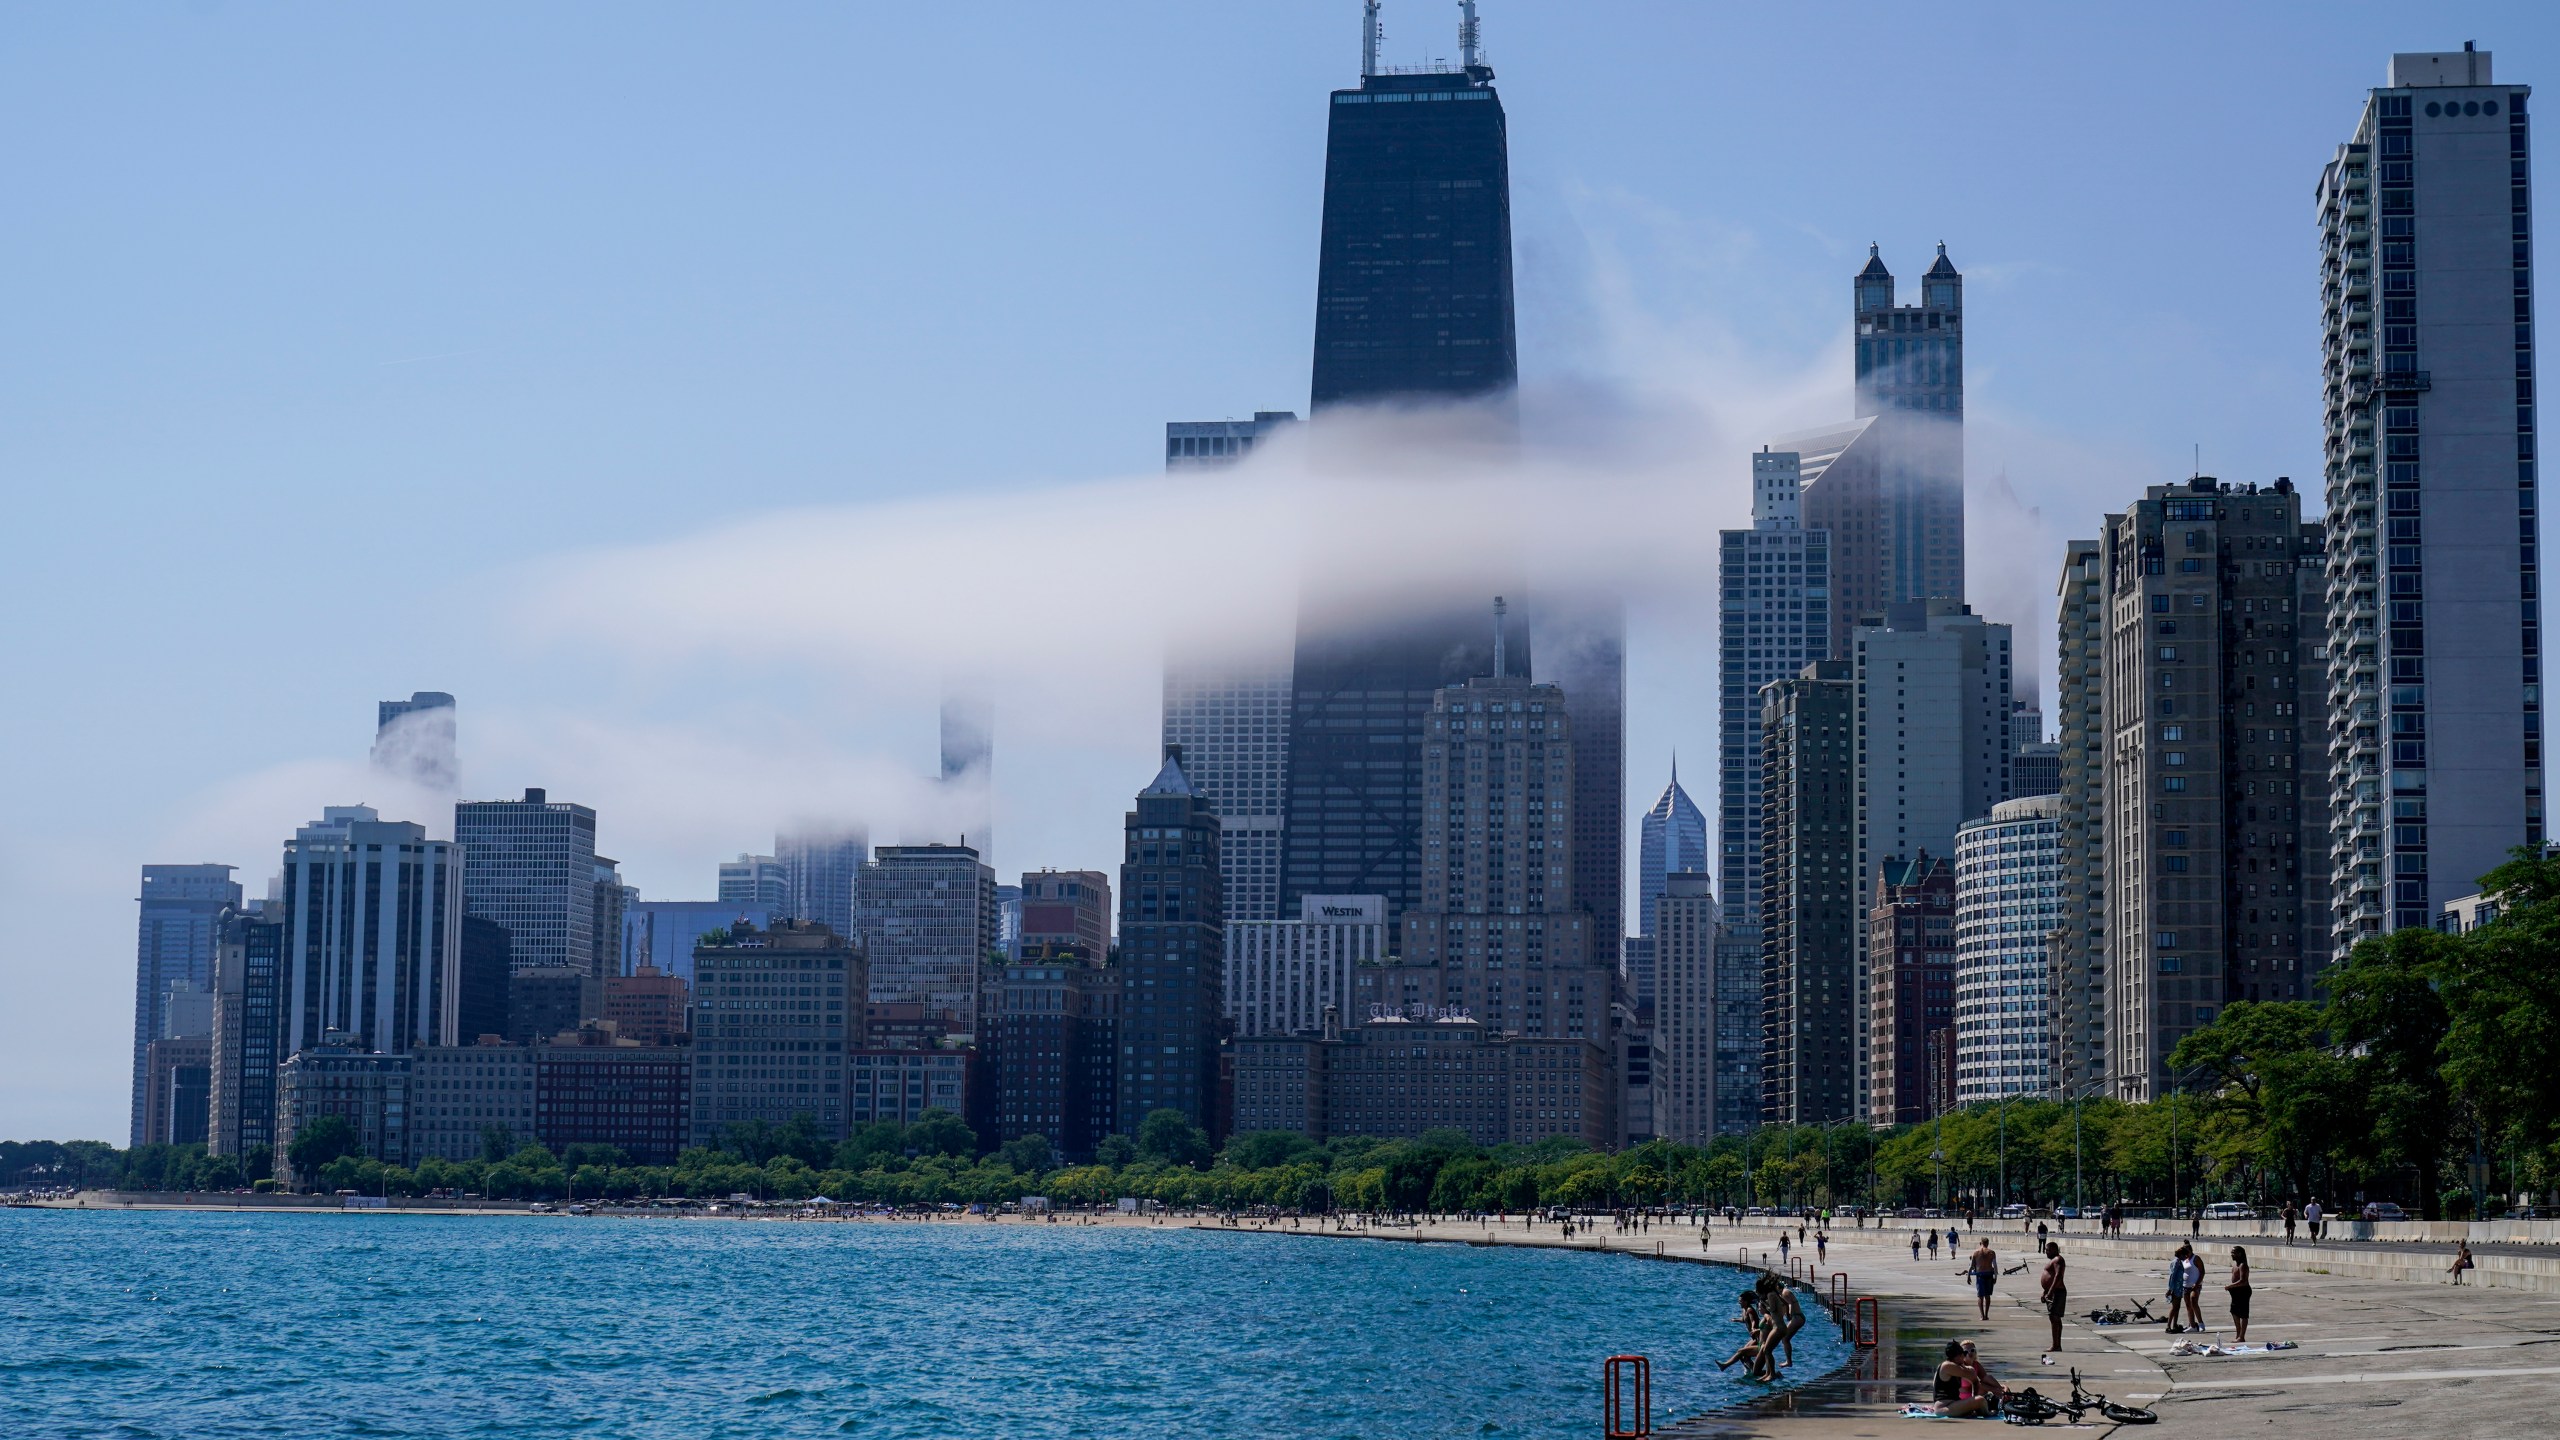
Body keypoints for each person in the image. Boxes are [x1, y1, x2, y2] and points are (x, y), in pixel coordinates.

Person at [1931, 1340, 1994, 1418]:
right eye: (1964, 1354)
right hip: (1944, 1407)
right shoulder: (1947, 1366)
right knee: (1981, 1400)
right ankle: (1987, 1414)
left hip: (1954, 1404)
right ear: (1959, 1355)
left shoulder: (1952, 1366)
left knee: (1979, 1399)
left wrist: (1973, 1397)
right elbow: (1972, 1375)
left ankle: (1975, 1411)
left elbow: (1975, 1381)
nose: (1964, 1357)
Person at [2038, 1242, 2068, 1355]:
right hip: (2052, 1292)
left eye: (2048, 1250)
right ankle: (2056, 1344)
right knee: (2054, 1318)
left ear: (2054, 1249)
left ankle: (2056, 1345)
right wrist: (2045, 1291)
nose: (2046, 1252)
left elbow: (2058, 1276)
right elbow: (2050, 1278)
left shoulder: (2058, 1260)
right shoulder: (2054, 1260)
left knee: (2054, 1317)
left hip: (2057, 1292)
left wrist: (2050, 1292)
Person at [1969, 1235, 2001, 1321]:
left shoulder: (1975, 1252)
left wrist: (1968, 1276)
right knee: (1987, 1296)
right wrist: (1995, 1277)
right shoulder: (1991, 1252)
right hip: (1989, 1274)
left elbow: (1971, 1266)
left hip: (1980, 1275)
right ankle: (1986, 1315)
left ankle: (1982, 1315)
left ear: (1980, 1243)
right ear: (1988, 1243)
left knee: (1980, 1296)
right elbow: (1995, 1265)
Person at [2226, 1246, 2253, 1342]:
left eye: (2234, 1252)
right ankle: (2238, 1333)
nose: (2232, 1254)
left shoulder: (2243, 1265)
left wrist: (2230, 1286)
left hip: (2243, 1291)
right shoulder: (2234, 1266)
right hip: (2235, 1292)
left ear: (2240, 1254)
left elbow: (2243, 1281)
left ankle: (2242, 1336)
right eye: (2231, 1252)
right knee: (2234, 1312)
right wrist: (2231, 1288)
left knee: (2243, 1314)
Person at [2165, 1245, 2191, 1334]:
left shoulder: (2181, 1262)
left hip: (2179, 1287)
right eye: (2185, 1255)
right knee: (2174, 1307)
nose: (2186, 1257)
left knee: (2177, 1307)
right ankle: (2168, 1325)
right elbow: (2172, 1276)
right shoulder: (2176, 1262)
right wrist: (2170, 1289)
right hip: (2175, 1288)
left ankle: (2175, 1324)